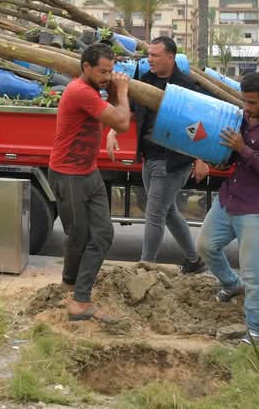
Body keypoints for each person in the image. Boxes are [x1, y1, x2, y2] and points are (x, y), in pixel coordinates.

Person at [193, 72, 259, 344]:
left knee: (252, 272)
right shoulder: (243, 119)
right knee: (204, 246)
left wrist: (243, 148)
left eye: (252, 103)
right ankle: (231, 284)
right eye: (244, 101)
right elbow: (231, 155)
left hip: (255, 207)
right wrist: (222, 158)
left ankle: (256, 332)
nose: (246, 108)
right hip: (230, 197)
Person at [106, 36, 206, 273]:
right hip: (148, 157)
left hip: (172, 161)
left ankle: (145, 266)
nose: (149, 59)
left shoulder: (187, 87)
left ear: (170, 57)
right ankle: (194, 261)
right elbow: (129, 109)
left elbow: (199, 126)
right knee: (168, 211)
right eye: (148, 55)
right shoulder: (145, 81)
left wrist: (200, 159)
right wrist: (112, 131)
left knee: (154, 214)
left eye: (154, 55)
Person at [51, 43, 131, 321]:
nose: (107, 76)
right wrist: (122, 91)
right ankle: (78, 297)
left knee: (103, 234)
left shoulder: (93, 88)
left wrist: (113, 91)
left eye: (110, 71)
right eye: (102, 71)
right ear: (86, 67)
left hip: (88, 171)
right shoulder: (80, 91)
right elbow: (122, 122)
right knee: (79, 236)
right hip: (68, 174)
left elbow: (113, 116)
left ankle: (74, 291)